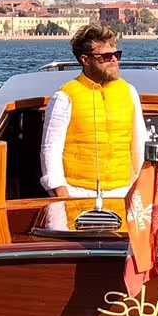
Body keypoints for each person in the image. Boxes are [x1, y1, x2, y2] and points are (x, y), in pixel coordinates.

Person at [40, 23, 148, 204]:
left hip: (123, 192)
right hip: (76, 193)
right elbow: (50, 148)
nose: (114, 60)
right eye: (106, 56)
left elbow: (139, 143)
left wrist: (142, 188)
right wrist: (61, 193)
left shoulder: (129, 92)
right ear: (85, 59)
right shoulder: (65, 96)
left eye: (116, 54)